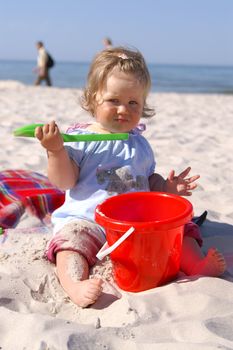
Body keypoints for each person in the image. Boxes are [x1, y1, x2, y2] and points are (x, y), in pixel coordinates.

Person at [35, 47, 226, 308]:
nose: (124, 109)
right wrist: (56, 151)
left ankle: (197, 265)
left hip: (135, 225)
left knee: (182, 228)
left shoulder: (140, 144)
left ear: (143, 106)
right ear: (93, 99)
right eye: (114, 101)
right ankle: (75, 284)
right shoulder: (82, 140)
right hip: (90, 220)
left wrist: (167, 187)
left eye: (133, 103)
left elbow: (147, 181)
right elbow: (64, 181)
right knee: (71, 244)